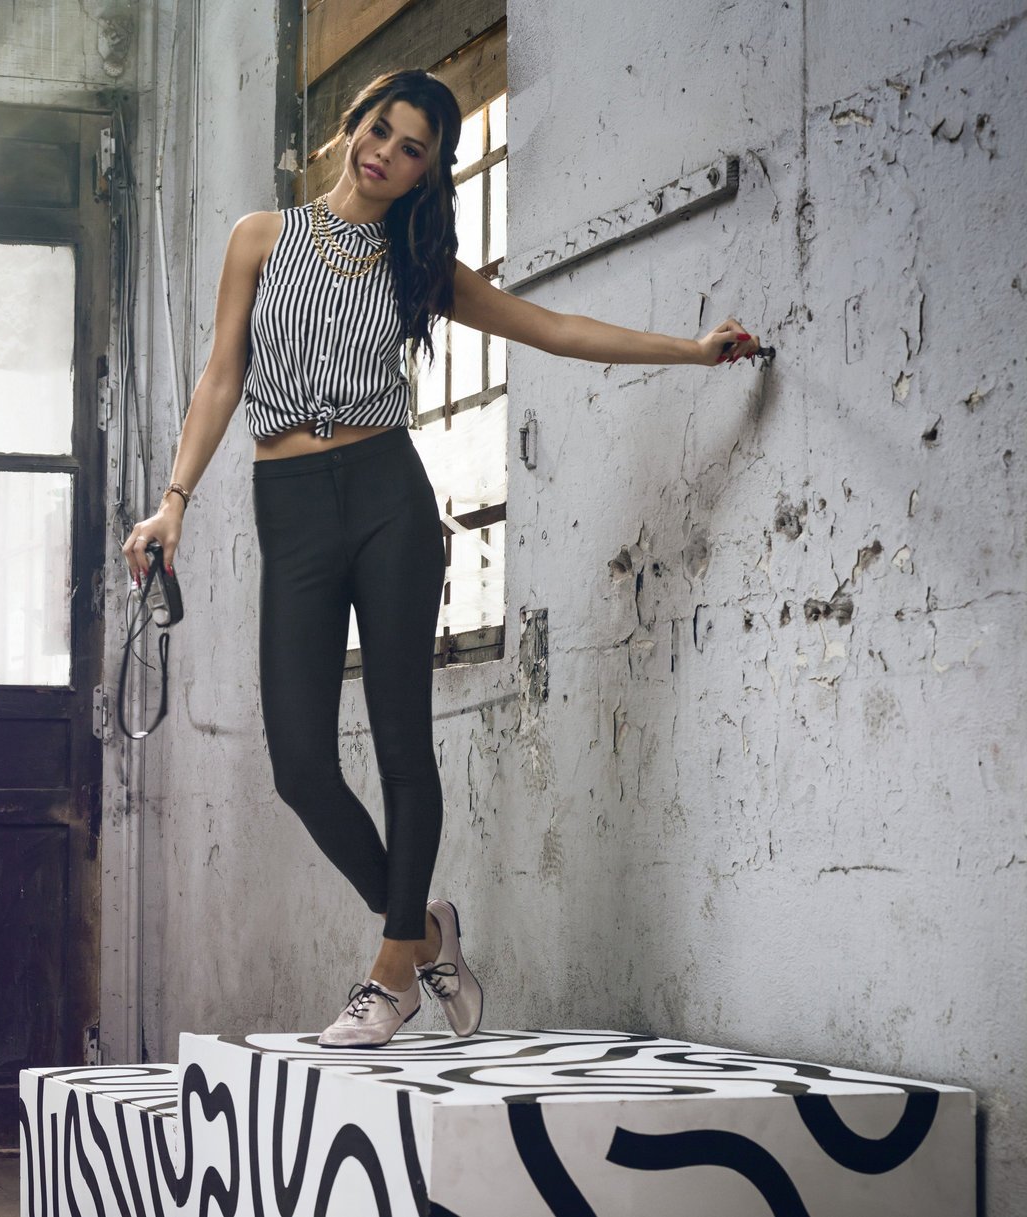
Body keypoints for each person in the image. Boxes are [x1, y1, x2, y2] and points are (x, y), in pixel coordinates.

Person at [119, 69, 764, 1047]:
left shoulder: (419, 265)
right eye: (380, 129)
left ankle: (392, 972)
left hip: (389, 498)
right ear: (353, 125)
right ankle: (427, 932)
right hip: (290, 504)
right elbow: (220, 378)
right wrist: (174, 502)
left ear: (428, 170)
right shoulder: (260, 237)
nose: (386, 152)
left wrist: (691, 348)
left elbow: (554, 328)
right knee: (300, 763)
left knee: (400, 740)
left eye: (412, 147)